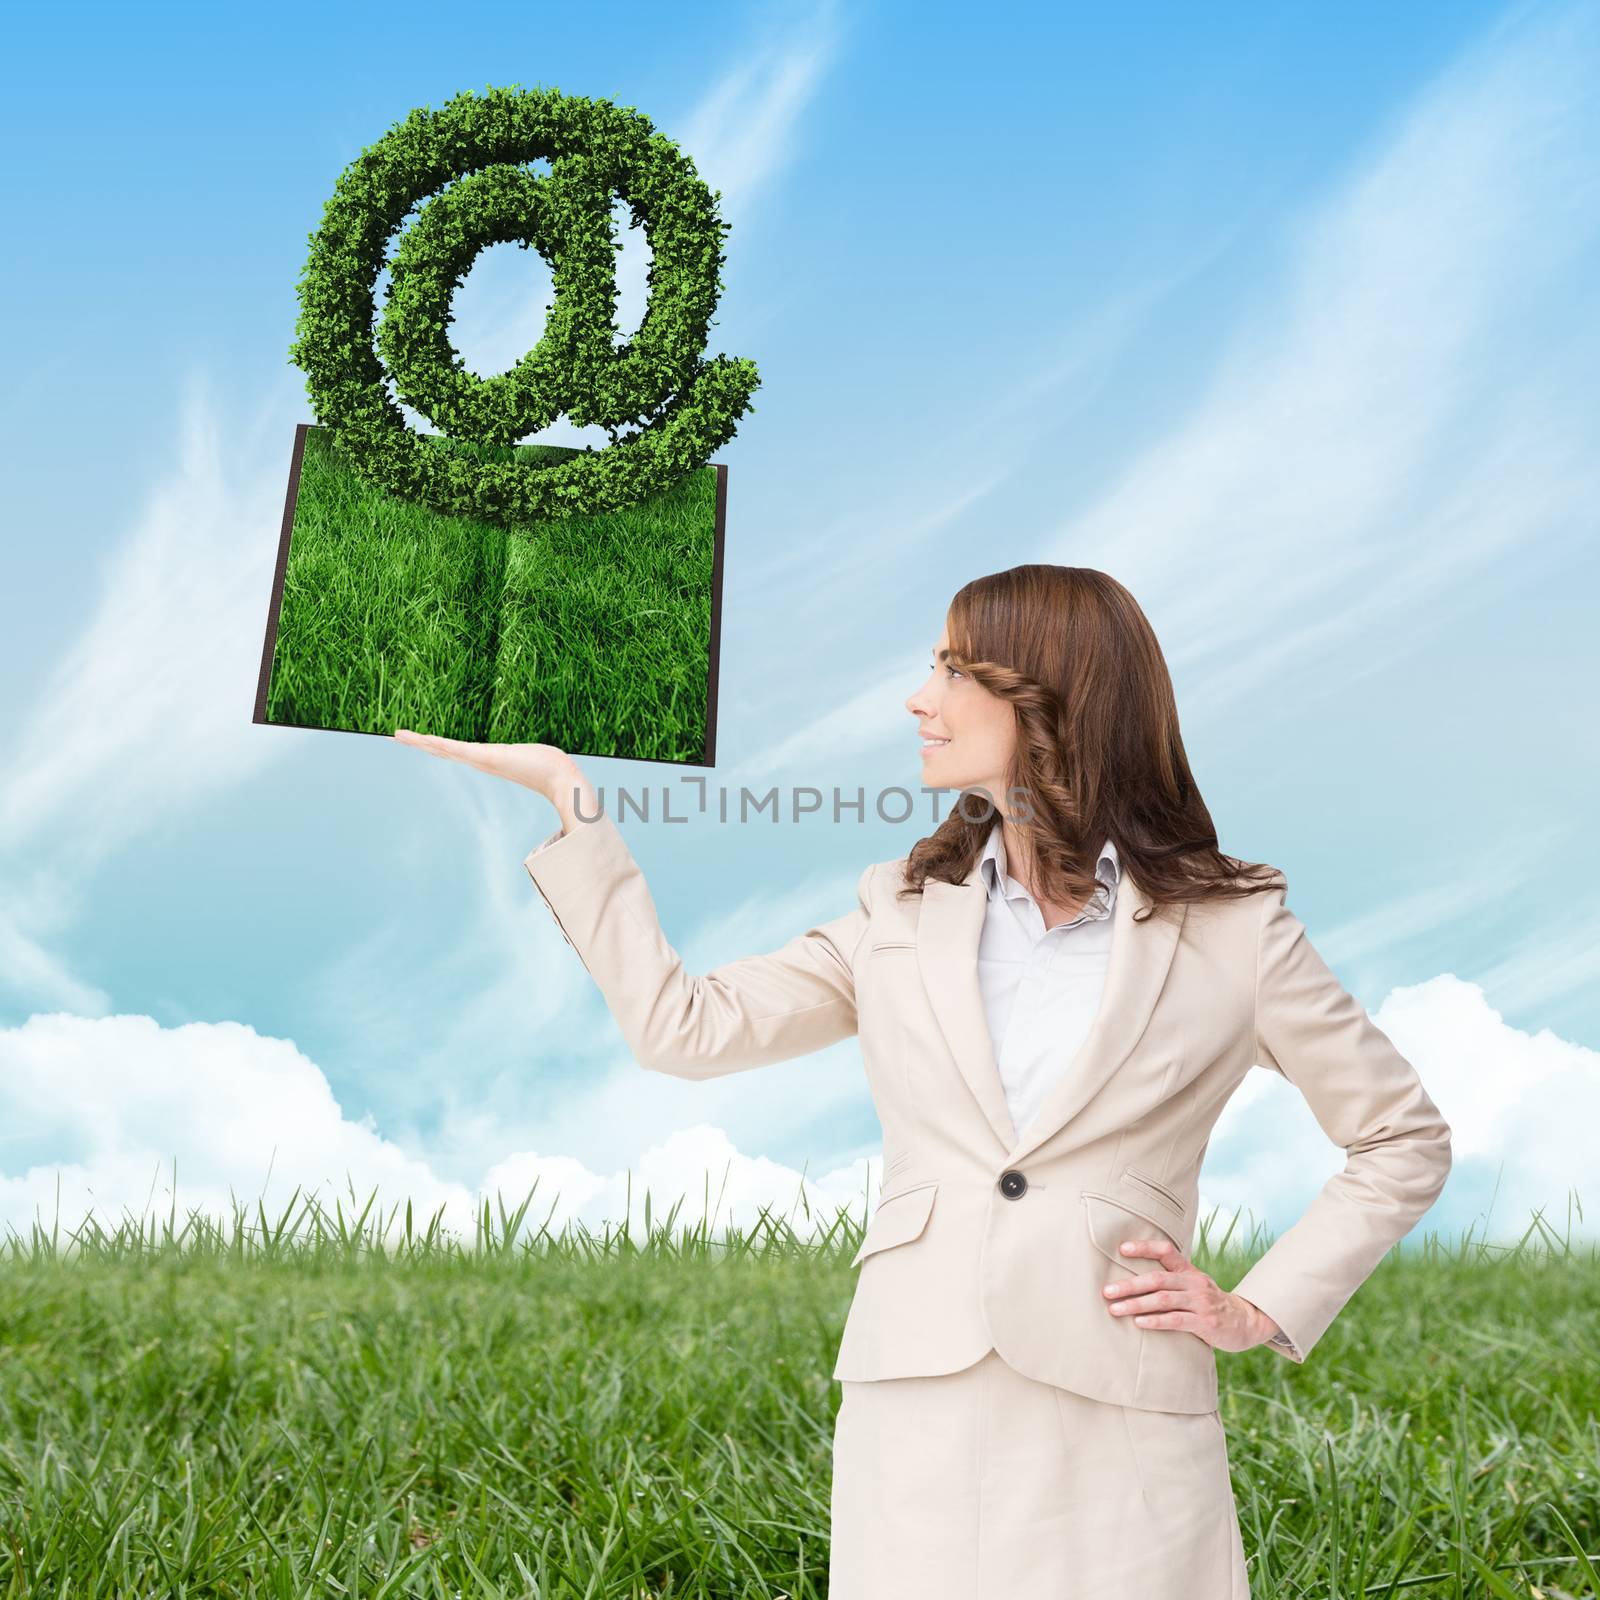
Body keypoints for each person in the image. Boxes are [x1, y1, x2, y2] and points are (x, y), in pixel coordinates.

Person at [394, 563, 1453, 1599]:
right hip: (918, 1399)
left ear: (1048, 697)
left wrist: (1257, 1307)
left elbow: (1400, 1138)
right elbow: (687, 1026)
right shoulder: (897, 906)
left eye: (953, 669)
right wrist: (572, 800)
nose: (919, 698)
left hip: (1119, 1403)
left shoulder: (1231, 928)